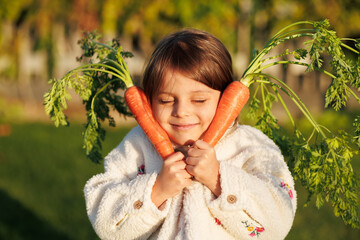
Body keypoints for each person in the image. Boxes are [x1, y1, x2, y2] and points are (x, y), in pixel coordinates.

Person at [84, 29, 297, 240]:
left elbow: (277, 220)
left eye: (199, 100)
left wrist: (219, 180)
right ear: (150, 101)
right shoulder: (137, 146)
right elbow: (105, 222)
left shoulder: (249, 145)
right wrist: (156, 191)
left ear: (225, 98)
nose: (181, 111)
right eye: (166, 101)